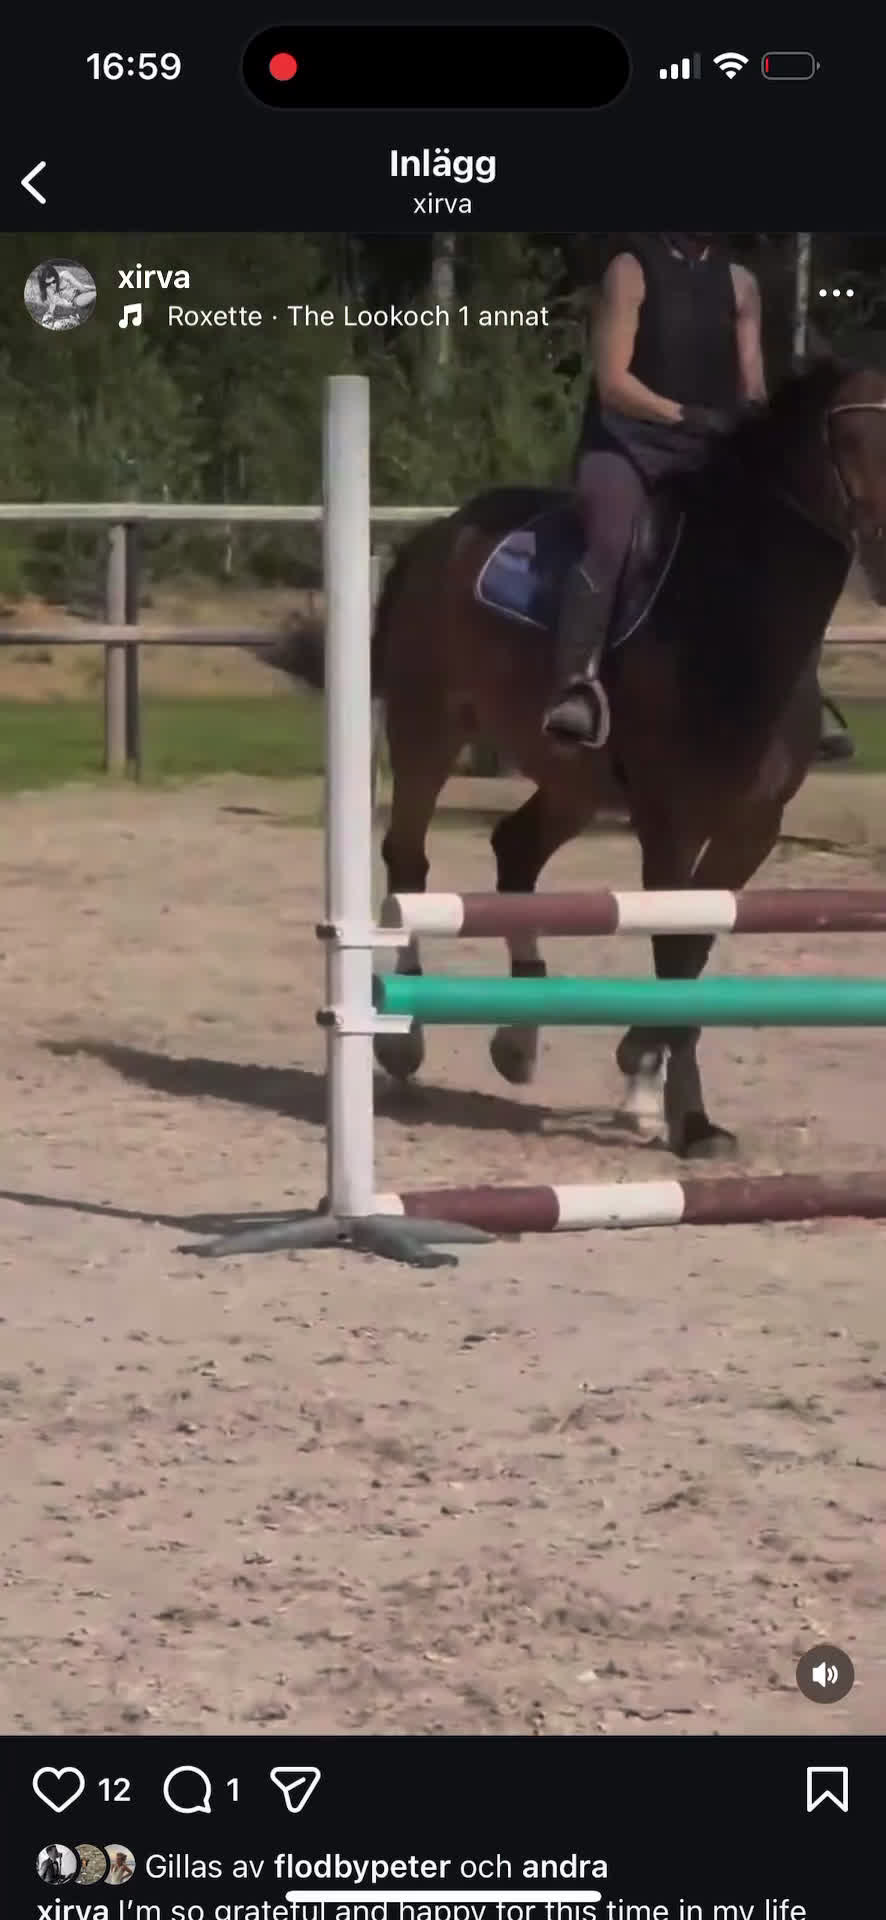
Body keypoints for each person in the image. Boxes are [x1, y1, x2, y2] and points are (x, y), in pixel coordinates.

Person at [542, 232, 854, 760]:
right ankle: (579, 681)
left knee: (784, 542)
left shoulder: (740, 284)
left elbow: (751, 386)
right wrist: (683, 414)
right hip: (626, 444)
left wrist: (758, 426)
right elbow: (613, 383)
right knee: (614, 537)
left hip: (707, 447)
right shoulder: (630, 268)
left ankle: (802, 692)